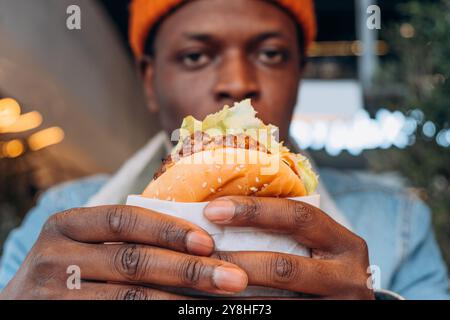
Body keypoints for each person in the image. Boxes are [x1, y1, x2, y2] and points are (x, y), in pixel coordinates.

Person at [0, 0, 448, 300]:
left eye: (271, 54)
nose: (237, 83)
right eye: (196, 56)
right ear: (151, 82)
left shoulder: (398, 224)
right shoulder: (55, 222)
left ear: (299, 75)